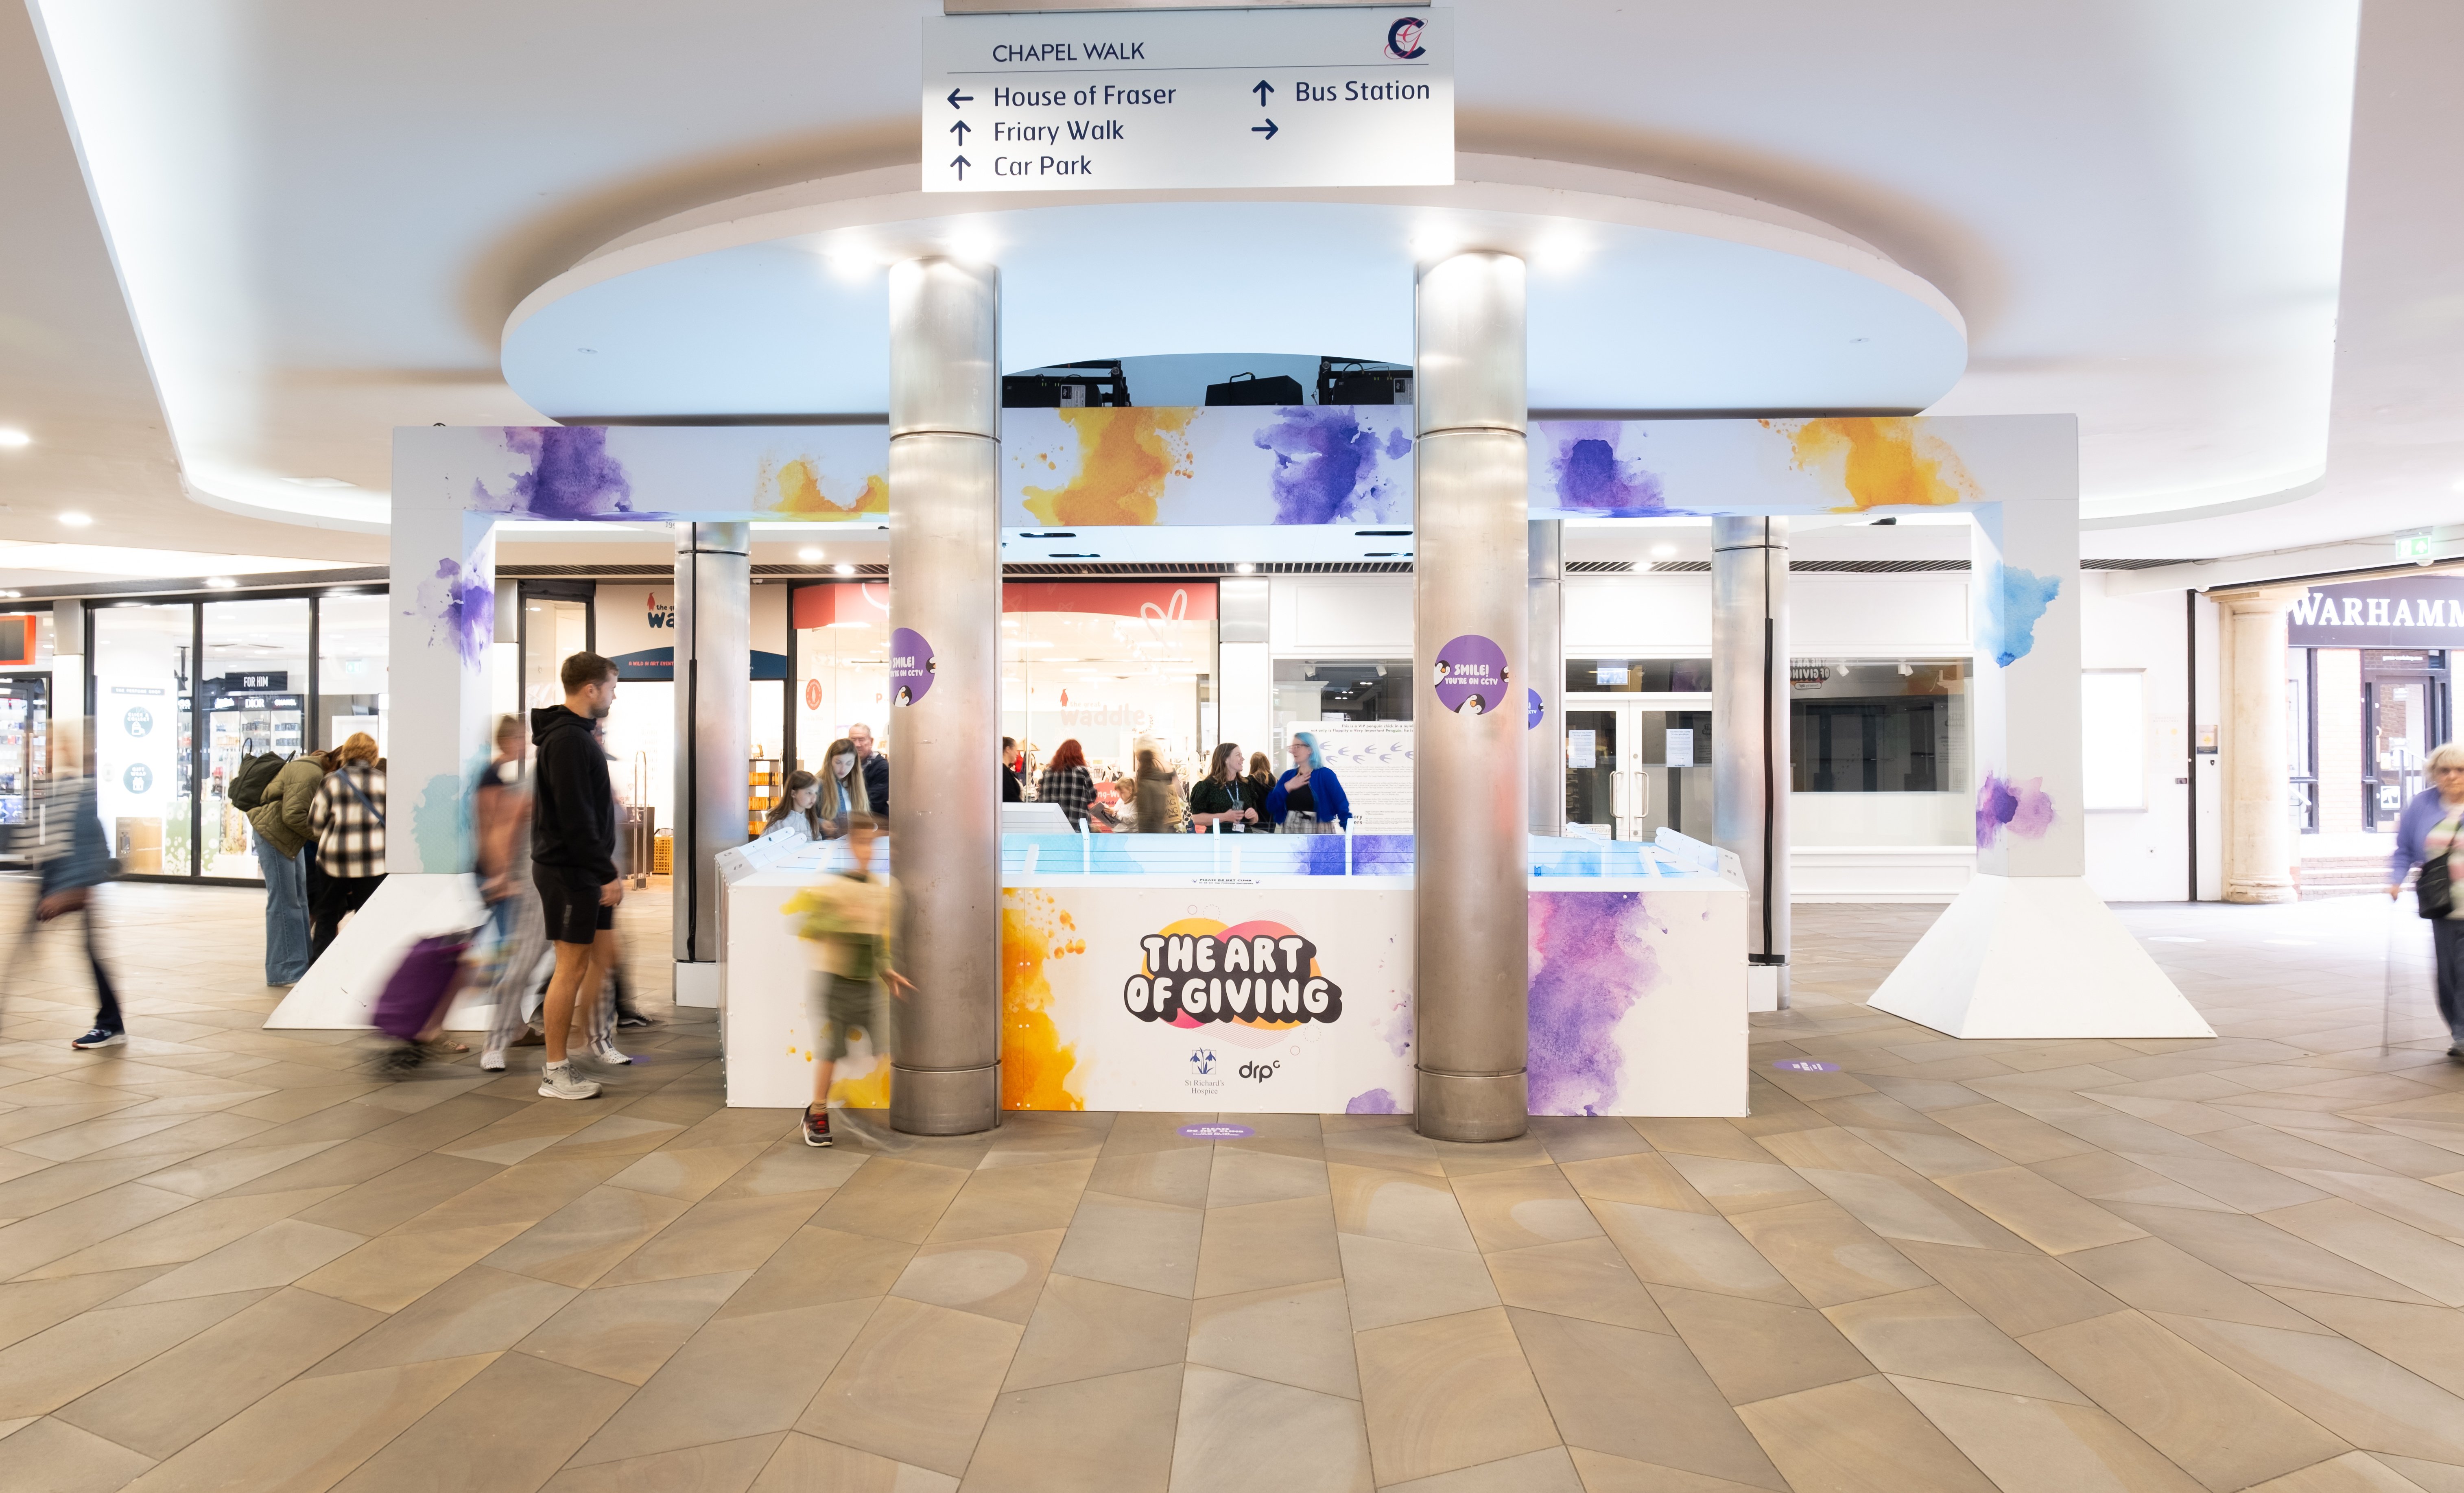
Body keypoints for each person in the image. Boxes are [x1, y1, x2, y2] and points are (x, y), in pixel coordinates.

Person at [531, 651, 626, 1100]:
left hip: (575, 868)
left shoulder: (572, 736)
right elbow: (576, 818)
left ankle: (568, 1060)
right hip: (570, 871)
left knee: (578, 965)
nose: (612, 694)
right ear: (590, 689)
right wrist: (603, 871)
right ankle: (555, 1071)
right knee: (568, 968)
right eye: (610, 686)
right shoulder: (569, 740)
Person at [781, 812, 909, 1147]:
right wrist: (837, 921)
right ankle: (818, 1111)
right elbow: (809, 925)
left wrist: (887, 969)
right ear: (851, 846)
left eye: (873, 844)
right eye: (862, 843)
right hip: (836, 981)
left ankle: (853, 1107)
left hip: (865, 983)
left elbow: (878, 941)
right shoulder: (836, 887)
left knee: (881, 1048)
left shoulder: (881, 891)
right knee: (832, 1050)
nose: (868, 851)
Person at [27, 727, 125, 1050]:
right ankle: (111, 1022)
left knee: (91, 950)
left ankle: (110, 1023)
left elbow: (89, 846)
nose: (43, 750)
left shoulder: (76, 792)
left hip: (73, 885)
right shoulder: (51, 790)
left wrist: (72, 892)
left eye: (50, 743)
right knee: (87, 950)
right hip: (56, 885)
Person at [474, 715, 548, 1072]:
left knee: (518, 960)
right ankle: (499, 1039)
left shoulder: (522, 776)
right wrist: (499, 875)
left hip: (547, 883)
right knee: (515, 962)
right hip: (521, 882)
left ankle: (517, 1029)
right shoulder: (518, 780)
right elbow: (495, 827)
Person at [2390, 741, 2464, 1059]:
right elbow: (2405, 848)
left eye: (2460, 770)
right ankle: (2458, 1029)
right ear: (2434, 774)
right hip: (2443, 904)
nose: (2452, 776)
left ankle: (2463, 1035)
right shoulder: (2421, 805)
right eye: (2444, 770)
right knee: (2449, 973)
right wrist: (2395, 879)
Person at [246, 748, 330, 984]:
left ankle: (300, 964)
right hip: (274, 835)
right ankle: (283, 971)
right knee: (284, 902)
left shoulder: (313, 770)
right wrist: (323, 837)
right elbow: (292, 815)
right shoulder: (311, 773)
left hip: (287, 838)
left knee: (299, 901)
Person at [306, 733, 387, 962]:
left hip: (334, 861)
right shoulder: (384, 781)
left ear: (346, 753)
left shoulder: (331, 780)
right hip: (373, 862)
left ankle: (319, 971)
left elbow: (315, 824)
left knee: (327, 917)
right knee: (369, 918)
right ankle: (364, 968)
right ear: (374, 755)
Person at [1265, 731, 1352, 834]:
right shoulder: (1288, 776)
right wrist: (1287, 787)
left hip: (1318, 832)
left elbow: (1341, 805)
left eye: (1298, 746)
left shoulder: (1325, 775)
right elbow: (1271, 805)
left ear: (1310, 749)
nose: (1293, 751)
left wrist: (1349, 832)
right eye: (1292, 747)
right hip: (1291, 832)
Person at [1038, 738, 1110, 830]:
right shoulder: (1081, 771)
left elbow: (1042, 798)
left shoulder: (1048, 772)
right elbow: (1091, 797)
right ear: (1078, 755)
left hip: (1053, 826)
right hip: (1076, 825)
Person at [1189, 743, 1258, 831]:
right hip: (1219, 841)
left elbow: (1254, 821)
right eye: (1238, 755)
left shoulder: (1246, 785)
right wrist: (1225, 817)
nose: (1243, 759)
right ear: (1226, 759)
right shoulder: (1207, 787)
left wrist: (1253, 816)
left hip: (1243, 841)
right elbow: (1197, 819)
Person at [818, 736, 869, 835]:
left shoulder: (856, 786)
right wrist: (821, 823)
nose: (843, 769)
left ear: (855, 763)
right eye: (838, 762)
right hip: (828, 846)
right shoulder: (818, 784)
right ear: (830, 761)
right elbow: (802, 817)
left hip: (851, 845)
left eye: (849, 763)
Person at [763, 770, 826, 843]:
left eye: (816, 793)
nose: (814, 798)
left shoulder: (811, 819)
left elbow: (816, 843)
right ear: (793, 793)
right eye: (809, 793)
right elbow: (763, 846)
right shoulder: (779, 822)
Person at [1132, 745, 1182, 833]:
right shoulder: (1161, 778)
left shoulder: (1145, 782)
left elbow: (1146, 813)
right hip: (1162, 826)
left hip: (1148, 829)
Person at [848, 721, 890, 815]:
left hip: (874, 823)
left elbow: (874, 803)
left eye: (861, 740)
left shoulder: (882, 768)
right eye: (853, 740)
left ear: (871, 742)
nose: (857, 745)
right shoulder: (845, 765)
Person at [1002, 737, 1024, 803]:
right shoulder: (1003, 771)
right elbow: (1011, 797)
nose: (1017, 754)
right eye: (1016, 750)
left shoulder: (1006, 770)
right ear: (1008, 749)